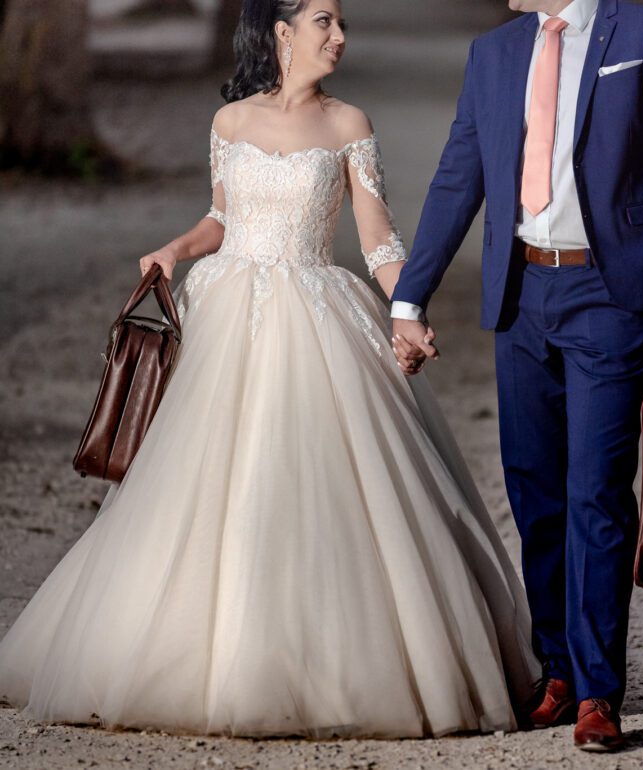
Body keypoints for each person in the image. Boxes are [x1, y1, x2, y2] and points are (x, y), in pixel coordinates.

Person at [0, 0, 541, 740]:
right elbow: (222, 216)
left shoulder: (350, 124)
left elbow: (379, 241)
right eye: (324, 21)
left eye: (342, 22)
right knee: (202, 489)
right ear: (282, 34)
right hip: (229, 307)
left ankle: (323, 662)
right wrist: (176, 249)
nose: (340, 36)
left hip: (318, 311)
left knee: (316, 484)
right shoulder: (231, 124)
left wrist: (406, 309)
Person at [390, 0, 643, 753]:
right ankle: (559, 671)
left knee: (596, 491)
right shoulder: (494, 53)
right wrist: (410, 295)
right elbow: (459, 175)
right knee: (534, 489)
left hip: (611, 294)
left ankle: (600, 691)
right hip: (522, 297)